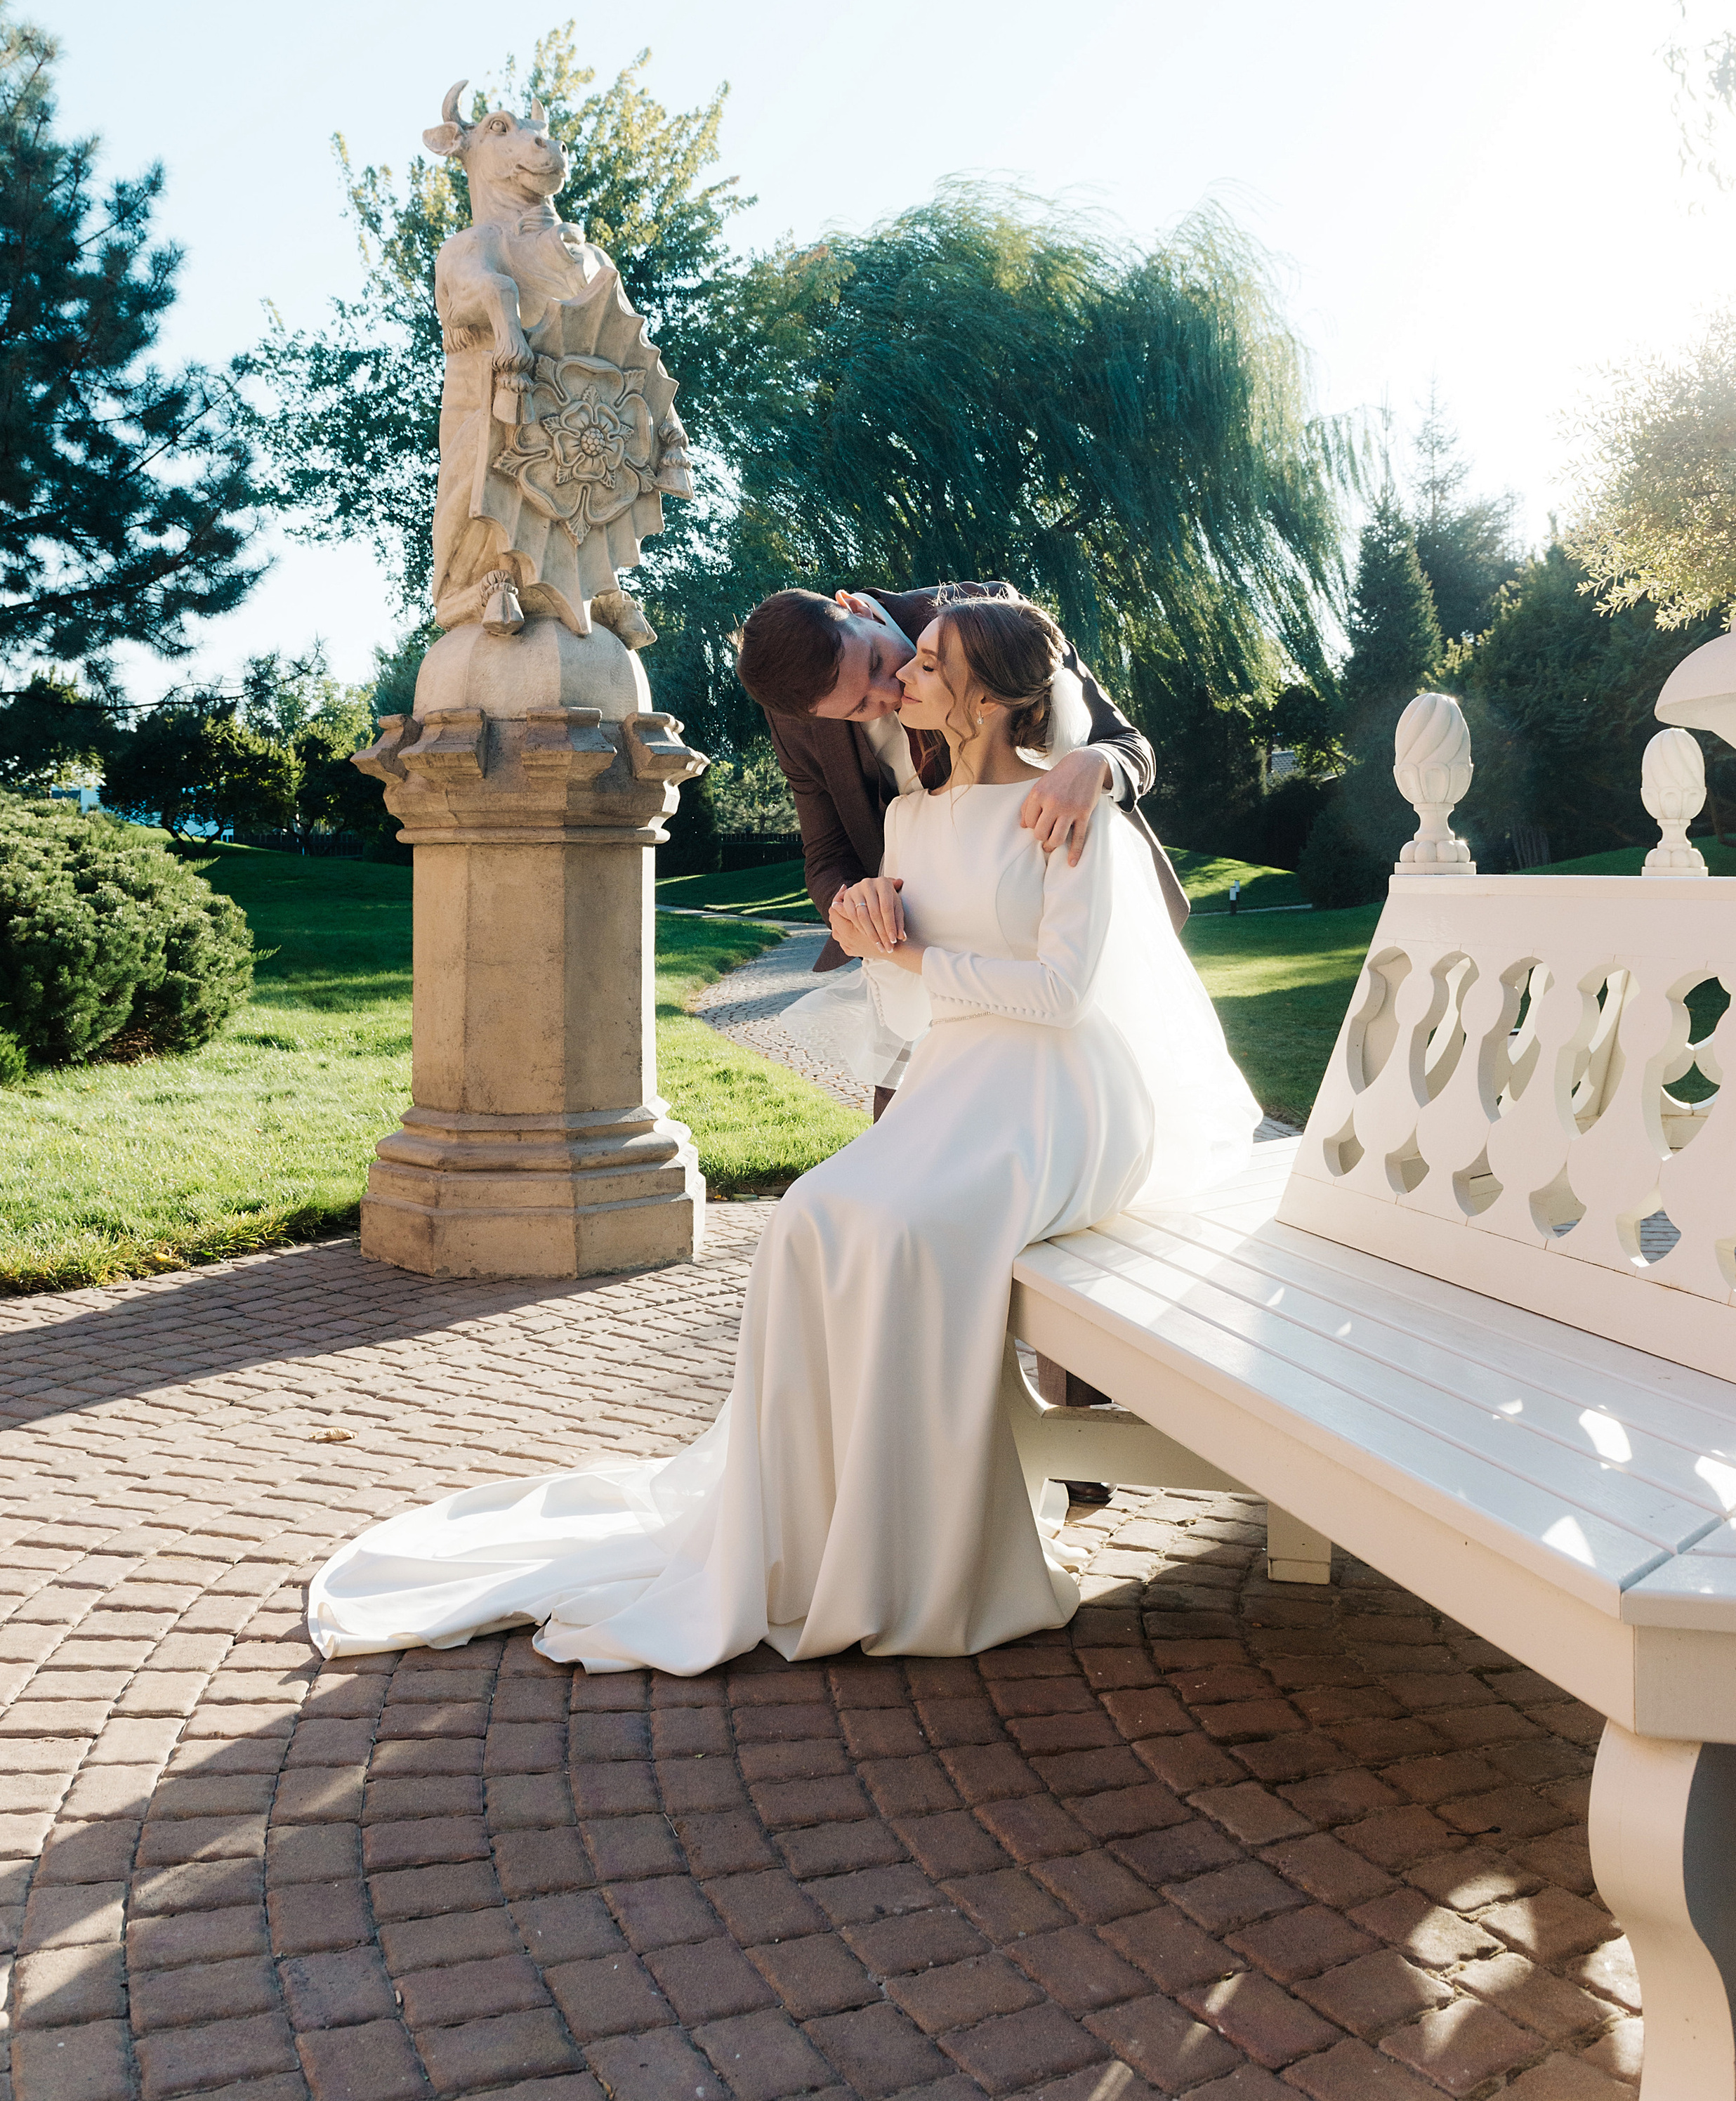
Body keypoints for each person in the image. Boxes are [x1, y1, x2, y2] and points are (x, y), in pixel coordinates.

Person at [307, 595, 1260, 1673]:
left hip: (1061, 1087)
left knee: (909, 1233)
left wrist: (1097, 774)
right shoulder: (899, 806)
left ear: (928, 658)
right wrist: (861, 920)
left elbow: (1063, 981)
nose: (887, 700)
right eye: (858, 701)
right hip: (960, 1061)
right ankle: (825, 1526)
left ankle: (981, 1510)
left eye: (894, 675)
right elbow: (843, 884)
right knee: (812, 1218)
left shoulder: (1022, 712)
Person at [735, 582, 1188, 1116]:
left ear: (856, 610)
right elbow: (827, 854)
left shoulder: (984, 614)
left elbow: (1128, 743)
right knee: (899, 1141)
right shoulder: (795, 717)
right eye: (861, 705)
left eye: (881, 660)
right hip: (922, 942)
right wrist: (853, 903)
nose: (892, 690)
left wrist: (1095, 764)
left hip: (1031, 912)